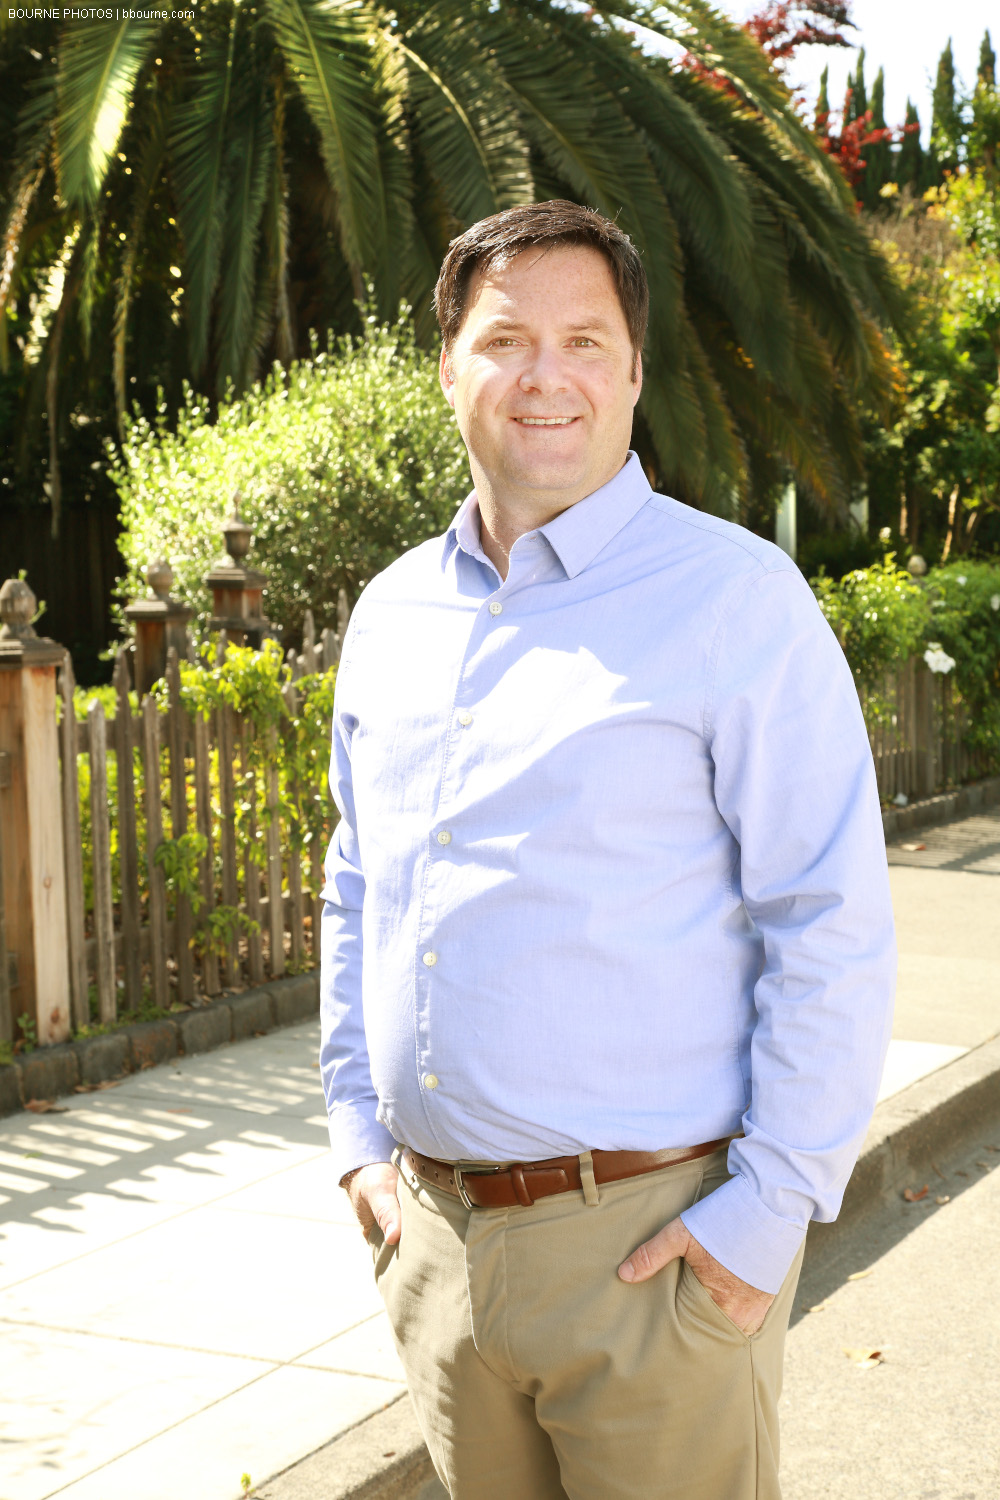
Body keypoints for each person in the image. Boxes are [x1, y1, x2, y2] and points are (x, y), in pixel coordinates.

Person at [319, 200, 896, 1500]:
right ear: (450, 365)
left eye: (586, 340)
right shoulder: (395, 610)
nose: (547, 376)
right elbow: (362, 881)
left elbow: (832, 920)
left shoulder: (735, 601)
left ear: (634, 371)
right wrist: (359, 1132)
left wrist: (766, 1217)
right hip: (441, 1250)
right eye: (507, 337)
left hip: (657, 1253)